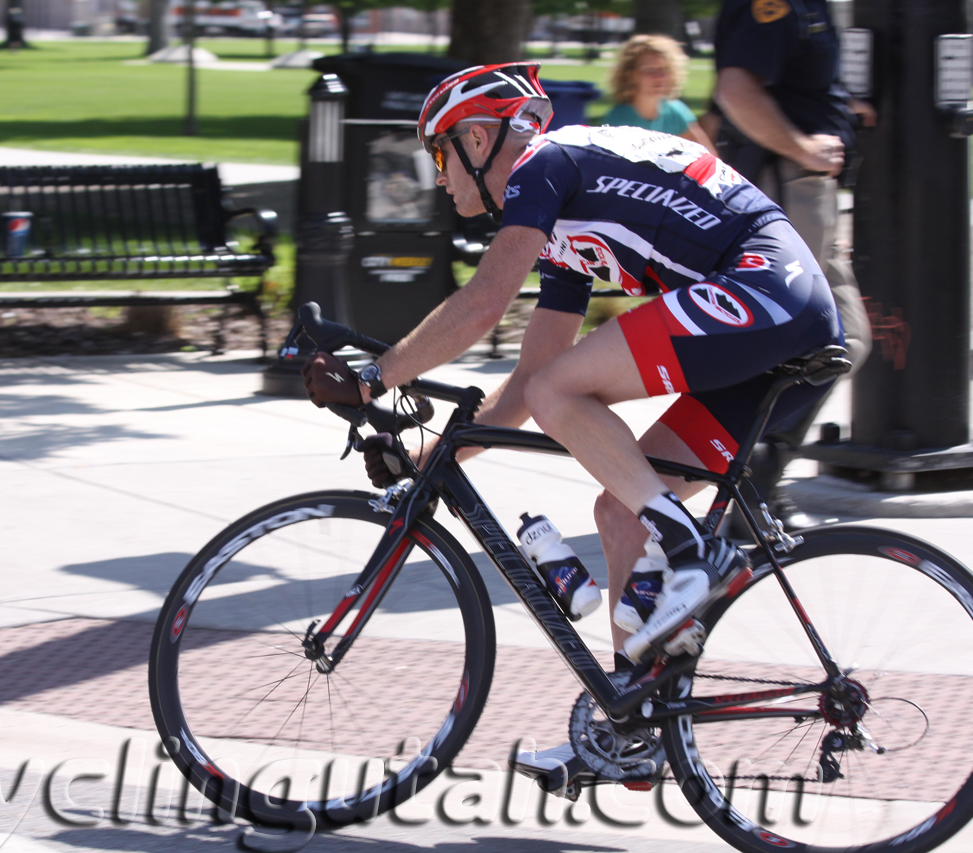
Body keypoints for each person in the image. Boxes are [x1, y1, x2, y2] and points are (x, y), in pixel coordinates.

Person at [301, 63, 844, 792]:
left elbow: (486, 302)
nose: (438, 178)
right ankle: (633, 731)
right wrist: (428, 454)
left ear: (481, 136)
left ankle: (690, 550)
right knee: (620, 510)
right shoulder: (560, 221)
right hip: (769, 311)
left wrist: (376, 375)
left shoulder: (538, 166)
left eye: (439, 153)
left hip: (764, 287)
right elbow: (530, 381)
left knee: (576, 403)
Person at [711, 0, 873, 530]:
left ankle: (752, 480)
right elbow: (736, 89)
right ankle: (750, 486)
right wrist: (802, 145)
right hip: (789, 188)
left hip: (805, 192)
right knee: (818, 339)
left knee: (841, 339)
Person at [600, 34, 715, 154]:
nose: (659, 77)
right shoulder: (617, 119)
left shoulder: (676, 112)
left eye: (665, 69)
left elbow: (707, 157)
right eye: (649, 70)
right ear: (630, 75)